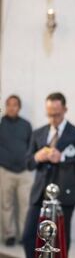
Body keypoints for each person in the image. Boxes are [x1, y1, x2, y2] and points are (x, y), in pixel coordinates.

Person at [22, 92, 75, 258]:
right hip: (39, 194)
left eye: (57, 114)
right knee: (28, 236)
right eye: (49, 114)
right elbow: (28, 163)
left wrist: (62, 158)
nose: (53, 118)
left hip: (64, 194)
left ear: (65, 110)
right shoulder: (39, 133)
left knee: (60, 240)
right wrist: (37, 156)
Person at [0, 95, 32, 246]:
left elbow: (31, 146)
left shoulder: (26, 125)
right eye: (9, 105)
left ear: (19, 107)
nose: (12, 107)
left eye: (15, 105)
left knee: (25, 205)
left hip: (24, 172)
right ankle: (9, 235)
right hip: (5, 170)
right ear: (6, 106)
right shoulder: (1, 124)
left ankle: (24, 236)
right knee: (6, 204)